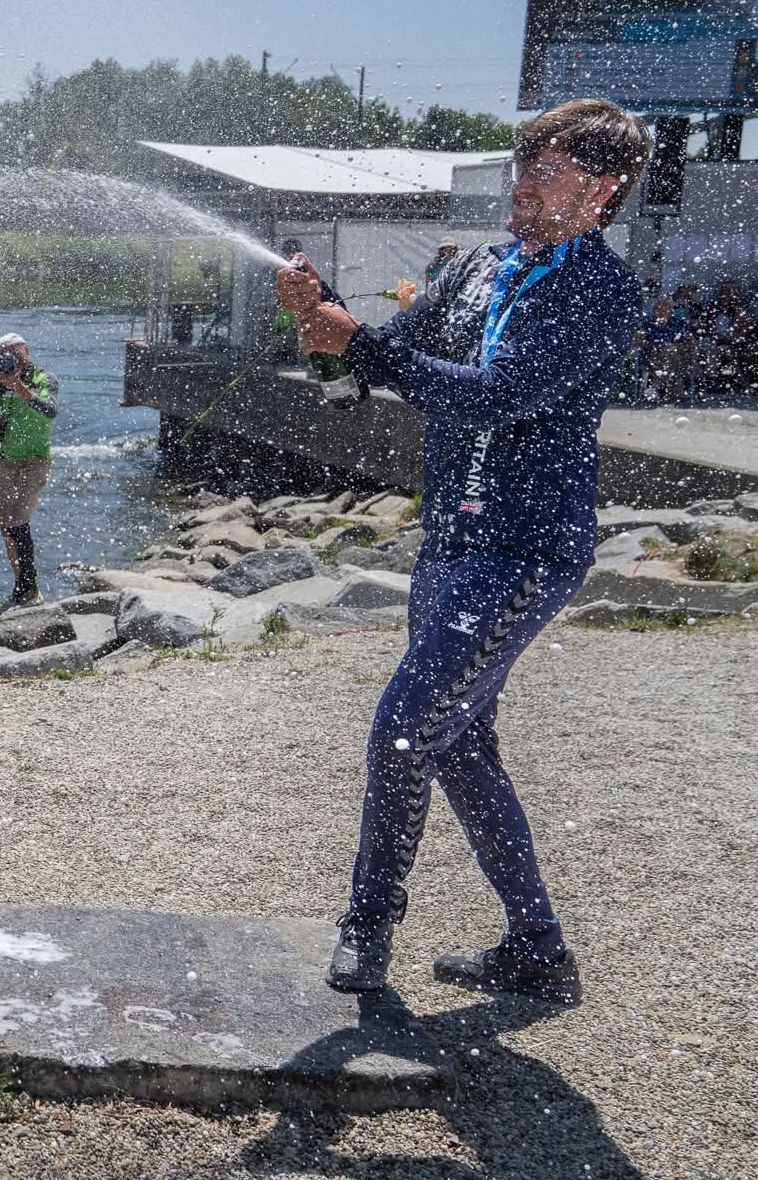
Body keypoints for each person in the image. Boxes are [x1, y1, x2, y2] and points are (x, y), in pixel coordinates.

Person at [277, 97, 650, 1004]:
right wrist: (322, 320)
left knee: (406, 728)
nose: (522, 186)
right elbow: (368, 371)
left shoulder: (601, 291)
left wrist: (360, 344)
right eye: (522, 168)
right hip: (449, 541)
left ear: (602, 190)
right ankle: (539, 951)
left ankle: (368, 923)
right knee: (458, 745)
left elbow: (494, 395)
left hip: (525, 548)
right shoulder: (480, 267)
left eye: (545, 172)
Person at [0, 332, 59, 607]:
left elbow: (49, 410)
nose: (12, 358)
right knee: (6, 526)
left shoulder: (44, 378)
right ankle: (21, 588)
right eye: (5, 354)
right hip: (8, 460)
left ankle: (29, 588)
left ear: (27, 350)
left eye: (16, 352)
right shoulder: (0, 385)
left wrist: (18, 385)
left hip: (36, 459)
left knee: (17, 519)